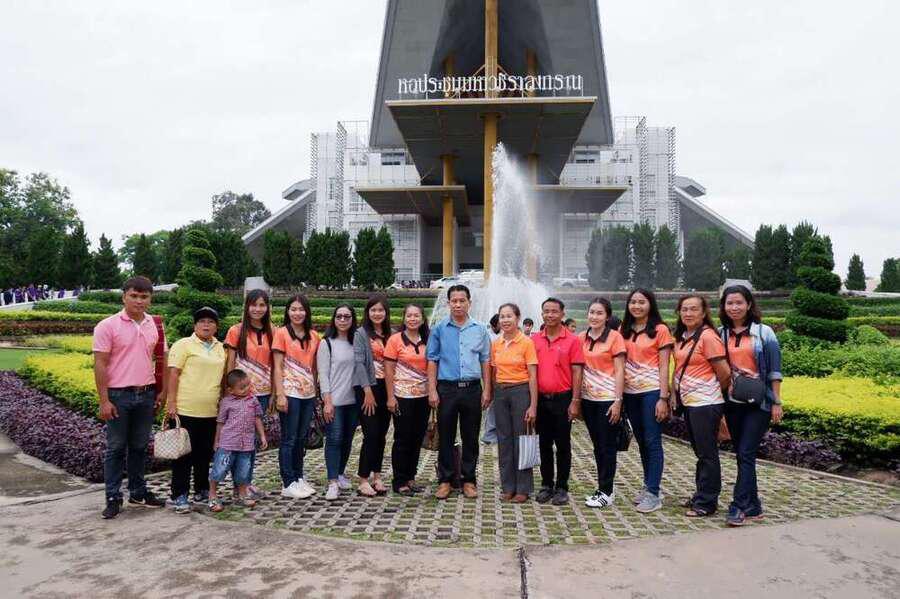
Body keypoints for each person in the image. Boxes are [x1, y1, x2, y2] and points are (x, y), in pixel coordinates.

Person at [93, 276, 167, 519]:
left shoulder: (155, 325)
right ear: (124, 296)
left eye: (144, 296)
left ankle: (138, 492)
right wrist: (104, 400)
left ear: (150, 299)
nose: (139, 301)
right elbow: (100, 364)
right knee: (115, 448)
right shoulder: (107, 326)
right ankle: (113, 497)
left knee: (139, 446)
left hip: (146, 394)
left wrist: (162, 391)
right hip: (118, 396)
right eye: (134, 296)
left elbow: (162, 359)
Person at [718, 285, 783, 526]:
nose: (734, 307)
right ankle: (754, 506)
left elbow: (775, 370)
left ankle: (738, 506)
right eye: (730, 303)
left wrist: (776, 401)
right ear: (724, 306)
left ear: (748, 305)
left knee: (746, 453)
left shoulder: (764, 333)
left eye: (739, 302)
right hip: (733, 402)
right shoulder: (720, 334)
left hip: (759, 402)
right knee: (743, 455)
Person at [426, 284, 492, 500]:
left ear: (469, 303)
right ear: (448, 303)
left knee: (470, 436)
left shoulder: (480, 329)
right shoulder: (439, 329)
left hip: (472, 389)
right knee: (446, 435)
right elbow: (432, 360)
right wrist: (432, 390)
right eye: (454, 301)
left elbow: (485, 360)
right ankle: (445, 480)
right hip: (446, 389)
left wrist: (487, 389)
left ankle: (469, 480)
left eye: (462, 300)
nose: (458, 305)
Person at [671, 294, 731, 518]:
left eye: (694, 309)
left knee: (707, 453)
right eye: (684, 309)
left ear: (704, 313)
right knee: (700, 451)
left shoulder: (708, 337)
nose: (688, 313)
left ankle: (707, 502)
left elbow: (724, 373)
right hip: (690, 402)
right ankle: (701, 494)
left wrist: (709, 391)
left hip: (705, 402)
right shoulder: (683, 337)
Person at [166, 307, 227, 514]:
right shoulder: (184, 344)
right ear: (195, 325)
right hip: (185, 409)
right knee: (182, 456)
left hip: (210, 411)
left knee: (204, 454)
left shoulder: (221, 348)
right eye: (202, 321)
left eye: (211, 321)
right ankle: (179, 495)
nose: (206, 325)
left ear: (216, 326)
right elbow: (173, 374)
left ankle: (201, 489)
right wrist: (171, 403)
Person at [620, 288, 673, 513]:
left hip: (651, 392)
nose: (637, 306)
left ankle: (653, 493)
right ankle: (649, 486)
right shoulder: (623, 330)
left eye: (641, 302)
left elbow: (664, 365)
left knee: (652, 441)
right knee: (641, 441)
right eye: (633, 302)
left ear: (650, 304)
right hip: (630, 393)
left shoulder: (660, 330)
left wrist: (663, 397)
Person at [533, 297, 584, 506]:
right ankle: (547, 484)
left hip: (563, 399)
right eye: (546, 311)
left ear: (563, 314)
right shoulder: (535, 339)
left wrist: (575, 400)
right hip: (541, 400)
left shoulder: (572, 340)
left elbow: (577, 371)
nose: (550, 315)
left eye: (554, 311)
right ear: (542, 314)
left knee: (563, 444)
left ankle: (562, 487)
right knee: (543, 443)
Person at [224, 289, 274, 500]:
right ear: (247, 307)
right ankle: (239, 485)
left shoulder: (273, 331)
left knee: (252, 442)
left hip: (262, 394)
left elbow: (275, 364)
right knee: (240, 441)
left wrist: (274, 393)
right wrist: (228, 392)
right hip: (241, 396)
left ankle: (246, 482)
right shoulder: (236, 331)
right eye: (254, 304)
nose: (257, 309)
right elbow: (230, 363)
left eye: (262, 305)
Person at [578, 297, 627, 509]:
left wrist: (618, 401)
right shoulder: (582, 337)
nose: (594, 317)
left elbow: (620, 370)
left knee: (607, 446)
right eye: (592, 312)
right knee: (598, 445)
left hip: (608, 399)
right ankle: (603, 488)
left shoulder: (615, 337)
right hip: (588, 400)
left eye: (599, 313)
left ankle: (606, 491)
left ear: (607, 316)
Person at [272, 294, 320, 500]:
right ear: (288, 311)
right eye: (293, 309)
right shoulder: (281, 333)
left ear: (307, 312)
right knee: (289, 439)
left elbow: (315, 367)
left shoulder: (314, 336)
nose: (297, 313)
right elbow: (277, 366)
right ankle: (288, 481)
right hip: (290, 393)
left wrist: (315, 391)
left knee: (301, 438)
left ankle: (299, 477)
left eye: (301, 309)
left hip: (308, 394)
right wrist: (280, 394)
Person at [490, 303, 538, 502]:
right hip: (501, 393)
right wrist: (491, 394)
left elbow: (533, 376)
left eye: (509, 316)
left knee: (522, 439)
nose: (505, 320)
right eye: (502, 316)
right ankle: (508, 487)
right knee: (504, 440)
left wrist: (533, 405)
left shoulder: (526, 343)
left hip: (521, 392)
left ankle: (523, 488)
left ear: (517, 318)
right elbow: (493, 371)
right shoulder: (496, 343)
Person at [384, 304, 431, 495]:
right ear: (404, 318)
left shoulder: (428, 339)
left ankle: (411, 477)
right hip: (402, 396)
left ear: (422, 319)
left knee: (417, 437)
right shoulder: (395, 340)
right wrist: (390, 397)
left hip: (423, 397)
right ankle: (399, 480)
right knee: (402, 438)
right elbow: (388, 370)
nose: (413, 319)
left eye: (416, 315)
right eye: (409, 315)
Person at [208, 369, 268, 513]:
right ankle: (212, 495)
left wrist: (262, 436)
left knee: (243, 471)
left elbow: (257, 418)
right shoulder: (226, 402)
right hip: (227, 444)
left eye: (248, 385)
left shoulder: (253, 400)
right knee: (219, 469)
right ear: (230, 390)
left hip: (246, 444)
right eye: (242, 388)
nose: (246, 389)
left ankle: (242, 495)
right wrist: (217, 441)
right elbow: (220, 422)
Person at [317, 304, 360, 501]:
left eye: (347, 317)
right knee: (334, 439)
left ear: (353, 319)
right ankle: (332, 481)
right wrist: (327, 401)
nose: (343, 320)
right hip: (335, 401)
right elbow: (323, 374)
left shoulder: (357, 341)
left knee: (347, 439)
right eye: (339, 316)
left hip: (353, 401)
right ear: (334, 319)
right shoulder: (326, 343)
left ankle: (340, 473)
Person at [353, 295, 392, 497]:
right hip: (367, 388)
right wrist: (367, 390)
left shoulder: (391, 334)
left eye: (380, 310)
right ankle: (363, 479)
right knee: (371, 434)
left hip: (386, 388)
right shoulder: (361, 334)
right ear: (367, 313)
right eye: (373, 310)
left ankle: (377, 476)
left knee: (382, 434)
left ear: (386, 312)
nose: (377, 314)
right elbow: (359, 363)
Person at [481, 313, 501, 444]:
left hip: (504, 375)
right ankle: (489, 434)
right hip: (492, 373)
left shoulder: (505, 335)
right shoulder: (487, 335)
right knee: (492, 406)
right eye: (500, 323)